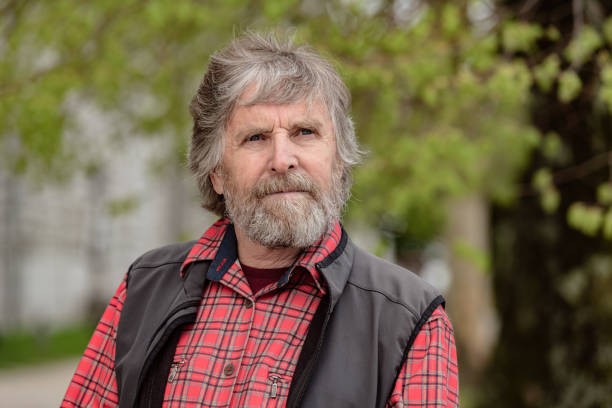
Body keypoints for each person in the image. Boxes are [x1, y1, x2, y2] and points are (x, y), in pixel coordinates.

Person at [62, 32, 459, 408]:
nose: (282, 159)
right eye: (256, 138)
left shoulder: (409, 320)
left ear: (338, 162)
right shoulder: (144, 287)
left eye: (305, 132)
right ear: (216, 172)